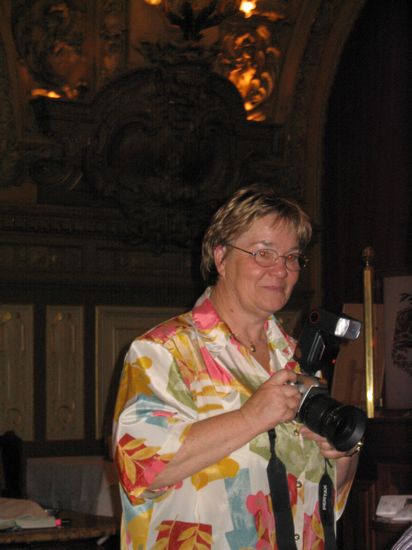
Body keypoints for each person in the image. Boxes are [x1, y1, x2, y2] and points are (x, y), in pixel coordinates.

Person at [113, 184, 361, 549]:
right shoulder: (164, 351)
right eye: (264, 253)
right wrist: (250, 418)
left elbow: (321, 500)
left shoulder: (298, 359)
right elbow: (142, 470)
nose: (282, 270)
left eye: (292, 257)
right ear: (221, 256)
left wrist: (340, 455)